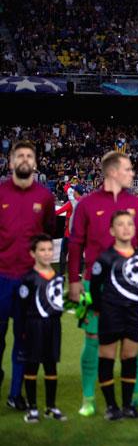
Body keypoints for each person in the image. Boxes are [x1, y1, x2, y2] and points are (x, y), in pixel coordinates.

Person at [67, 151, 138, 416]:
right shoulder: (86, 204)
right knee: (93, 338)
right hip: (92, 285)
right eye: (128, 169)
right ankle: (88, 398)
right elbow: (75, 245)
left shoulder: (136, 204)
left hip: (129, 285)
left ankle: (137, 396)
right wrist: (74, 281)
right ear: (112, 172)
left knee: (131, 340)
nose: (133, 173)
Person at [0, 141, 55, 411]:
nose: (24, 159)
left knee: (23, 340)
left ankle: (15, 393)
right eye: (19, 155)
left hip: (29, 281)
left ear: (35, 163)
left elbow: (46, 234)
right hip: (1, 278)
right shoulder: (0, 194)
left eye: (29, 156)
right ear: (10, 162)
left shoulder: (45, 197)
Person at [90, 211, 138, 420]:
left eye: (129, 224)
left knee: (129, 357)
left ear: (134, 229)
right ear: (112, 230)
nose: (126, 228)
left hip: (133, 312)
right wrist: (99, 308)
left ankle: (127, 406)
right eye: (120, 224)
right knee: (107, 357)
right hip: (109, 313)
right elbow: (95, 287)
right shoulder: (105, 258)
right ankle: (111, 406)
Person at [18, 234, 66, 423]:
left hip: (53, 327)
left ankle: (51, 407)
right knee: (32, 366)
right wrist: (23, 331)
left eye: (49, 249)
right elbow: (22, 308)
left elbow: (57, 304)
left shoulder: (58, 277)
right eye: (42, 250)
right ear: (33, 253)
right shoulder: (29, 278)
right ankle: (32, 409)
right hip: (33, 326)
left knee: (51, 366)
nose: (47, 253)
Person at [55, 185, 84, 275]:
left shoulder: (71, 203)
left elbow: (58, 212)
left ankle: (62, 274)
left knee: (63, 254)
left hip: (69, 235)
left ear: (76, 192)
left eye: (74, 190)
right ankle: (79, 274)